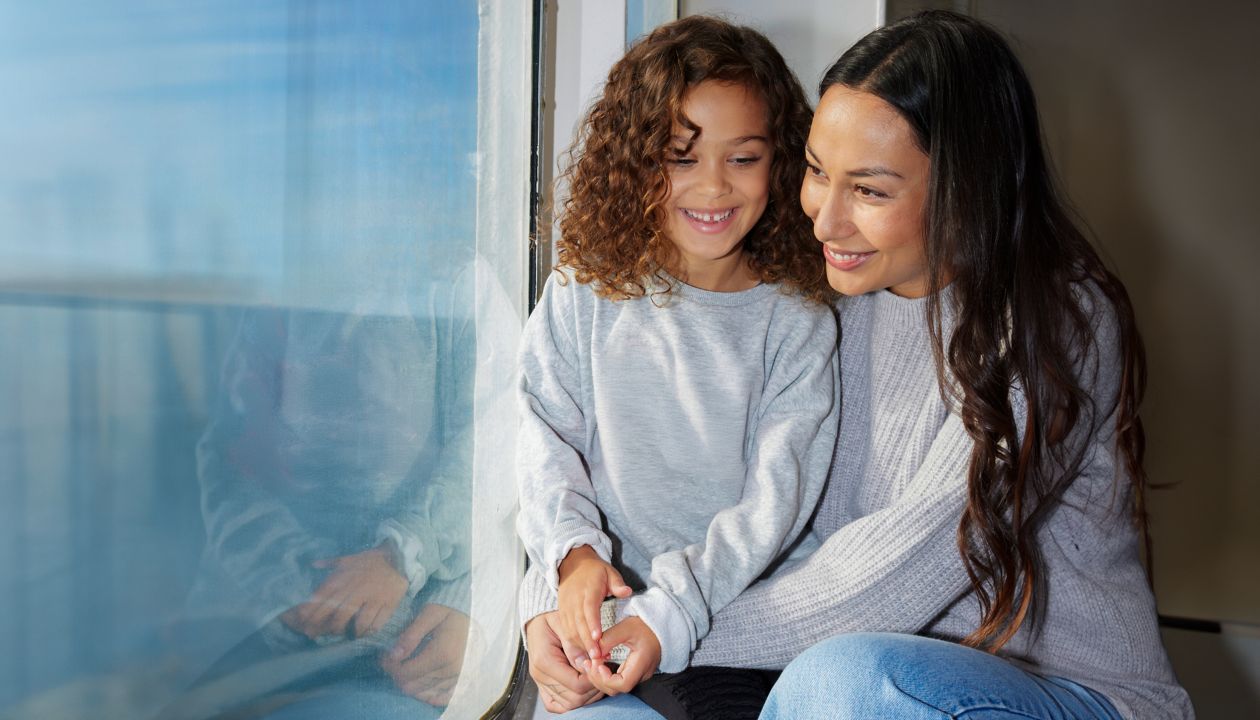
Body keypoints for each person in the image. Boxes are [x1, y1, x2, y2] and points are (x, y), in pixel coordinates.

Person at [521, 10, 1193, 720]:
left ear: (966, 187)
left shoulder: (1056, 323)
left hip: (1055, 690)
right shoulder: (832, 296)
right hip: (812, 661)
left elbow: (902, 571)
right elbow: (592, 461)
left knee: (847, 683)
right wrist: (557, 616)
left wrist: (664, 626)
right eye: (815, 172)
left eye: (869, 190)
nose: (824, 219)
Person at [515, 15, 838, 718]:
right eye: (680, 156)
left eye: (743, 157)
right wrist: (565, 569)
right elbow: (543, 449)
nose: (714, 188)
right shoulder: (582, 292)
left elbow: (773, 509)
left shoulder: (799, 321)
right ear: (634, 162)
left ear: (781, 161)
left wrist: (671, 614)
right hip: (604, 630)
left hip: (737, 631)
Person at [181, 263, 476, 718]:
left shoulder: (466, 283)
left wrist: (458, 594)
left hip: (407, 658)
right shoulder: (281, 302)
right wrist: (302, 580)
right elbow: (231, 466)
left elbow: (502, 464)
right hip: (266, 634)